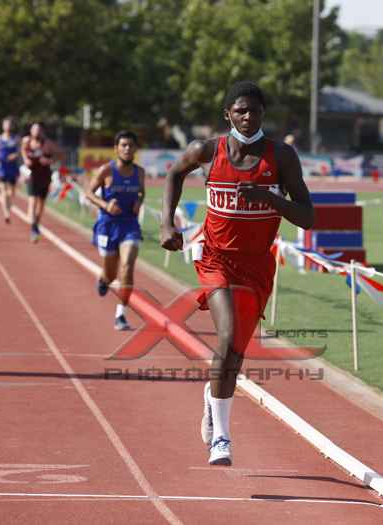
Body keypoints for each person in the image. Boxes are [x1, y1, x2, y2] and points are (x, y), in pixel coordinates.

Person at [161, 81, 314, 465]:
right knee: (228, 339)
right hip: (216, 260)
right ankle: (222, 439)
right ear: (227, 114)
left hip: (257, 265)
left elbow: (308, 217)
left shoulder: (281, 157)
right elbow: (174, 174)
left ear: (263, 114)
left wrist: (270, 198)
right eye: (240, 110)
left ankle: (212, 397)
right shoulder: (207, 151)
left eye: (255, 111)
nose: (248, 117)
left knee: (234, 351)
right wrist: (167, 223)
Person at [85, 130, 145, 331]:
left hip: (130, 225)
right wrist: (105, 205)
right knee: (110, 275)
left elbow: (141, 192)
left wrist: (138, 202)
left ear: (135, 149)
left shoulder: (140, 172)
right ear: (116, 149)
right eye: (123, 145)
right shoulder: (106, 170)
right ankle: (104, 280)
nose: (127, 149)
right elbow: (88, 192)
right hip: (108, 225)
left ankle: (121, 314)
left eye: (130, 145)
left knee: (127, 266)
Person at [21, 122, 56, 242]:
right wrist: (26, 159)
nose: (36, 132)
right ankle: (34, 228)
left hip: (45, 176)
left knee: (41, 204)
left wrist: (48, 161)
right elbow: (23, 151)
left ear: (42, 131)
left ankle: (36, 225)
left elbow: (58, 156)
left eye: (39, 130)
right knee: (32, 202)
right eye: (34, 129)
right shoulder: (26, 141)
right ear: (31, 131)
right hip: (32, 176)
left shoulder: (48, 143)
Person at [0, 117, 21, 224]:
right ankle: (6, 214)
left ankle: (8, 204)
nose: (7, 126)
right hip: (2, 167)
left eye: (9, 124)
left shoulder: (16, 138)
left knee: (11, 193)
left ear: (12, 126)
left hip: (12, 168)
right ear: (3, 126)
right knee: (3, 190)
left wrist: (15, 155)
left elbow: (20, 151)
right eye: (5, 124)